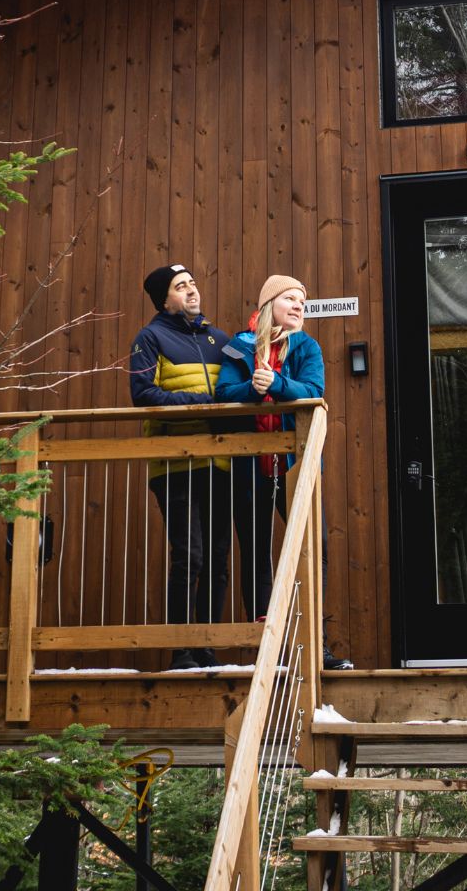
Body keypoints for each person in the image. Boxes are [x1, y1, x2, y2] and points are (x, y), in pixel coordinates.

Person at [216, 275, 353, 670]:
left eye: (303, 302)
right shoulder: (238, 347)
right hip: (250, 468)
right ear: (268, 303)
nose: (298, 306)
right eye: (290, 298)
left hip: (295, 467)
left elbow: (313, 390)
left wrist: (276, 381)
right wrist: (252, 390)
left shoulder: (307, 346)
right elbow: (224, 393)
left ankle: (314, 646)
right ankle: (266, 648)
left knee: (314, 552)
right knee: (256, 550)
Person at [128, 262, 239, 669]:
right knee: (188, 555)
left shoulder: (220, 339)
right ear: (163, 299)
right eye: (180, 286)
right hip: (173, 464)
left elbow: (236, 387)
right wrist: (203, 405)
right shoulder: (150, 337)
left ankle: (206, 647)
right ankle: (181, 651)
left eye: (192, 283)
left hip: (220, 462)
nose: (191, 290)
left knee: (217, 558)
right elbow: (143, 394)